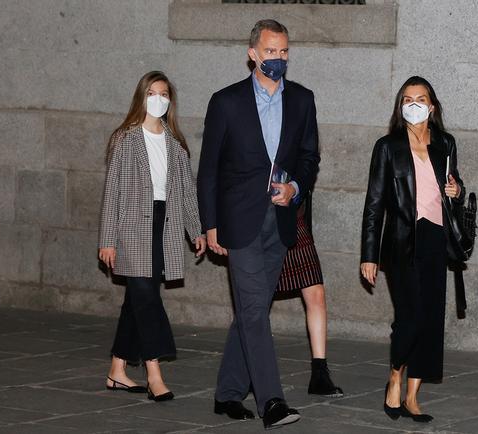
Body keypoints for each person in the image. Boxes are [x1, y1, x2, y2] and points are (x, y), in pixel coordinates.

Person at [197, 19, 320, 429]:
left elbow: (309, 157)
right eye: (270, 52)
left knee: (252, 309)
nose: (278, 59)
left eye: (284, 51)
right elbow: (209, 170)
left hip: (280, 222)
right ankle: (272, 402)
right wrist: (210, 224)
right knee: (254, 311)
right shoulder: (226, 102)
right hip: (238, 220)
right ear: (253, 53)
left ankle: (228, 392)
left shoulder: (302, 100)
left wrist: (296, 188)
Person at [360, 76, 465, 423]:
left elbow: (454, 184)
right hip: (402, 241)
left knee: (431, 318)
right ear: (400, 105)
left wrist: (456, 191)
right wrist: (369, 254)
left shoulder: (445, 143)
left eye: (420, 99)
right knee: (410, 316)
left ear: (432, 106)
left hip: (436, 238)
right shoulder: (388, 146)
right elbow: (374, 203)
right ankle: (395, 374)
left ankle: (413, 395)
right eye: (407, 99)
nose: (414, 104)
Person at [98, 70, 206, 402]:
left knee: (137, 298)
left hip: (165, 224)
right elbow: (112, 191)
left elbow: (187, 192)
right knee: (146, 296)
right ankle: (154, 372)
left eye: (164, 94)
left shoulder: (175, 144)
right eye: (152, 93)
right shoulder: (125, 138)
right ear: (141, 97)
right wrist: (107, 239)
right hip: (132, 226)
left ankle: (117, 370)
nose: (158, 99)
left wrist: (196, 230)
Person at [275, 192, 342, 397]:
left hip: (293, 218)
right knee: (257, 300)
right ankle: (249, 369)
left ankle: (320, 374)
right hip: (259, 219)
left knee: (316, 293)